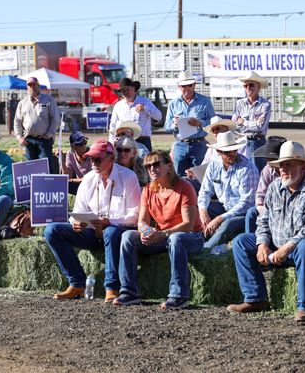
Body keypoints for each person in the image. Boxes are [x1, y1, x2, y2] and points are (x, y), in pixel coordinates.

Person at [227, 141, 305, 324]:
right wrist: (261, 244)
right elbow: (263, 220)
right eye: (281, 165)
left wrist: (286, 247)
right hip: (278, 244)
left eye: (288, 164)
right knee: (241, 242)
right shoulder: (274, 187)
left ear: (302, 166)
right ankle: (255, 299)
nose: (283, 169)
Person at [43, 139, 141, 302]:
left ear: (112, 159)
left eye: (98, 159)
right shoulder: (88, 179)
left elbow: (136, 213)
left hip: (116, 231)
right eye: (91, 159)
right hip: (91, 232)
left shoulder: (128, 177)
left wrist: (111, 222)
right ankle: (77, 283)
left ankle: (112, 287)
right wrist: (76, 223)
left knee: (111, 232)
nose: (93, 162)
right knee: (52, 230)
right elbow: (78, 212)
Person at [114, 151, 204, 309]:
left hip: (191, 237)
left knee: (176, 238)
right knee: (128, 236)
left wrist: (161, 234)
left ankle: (179, 295)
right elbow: (142, 221)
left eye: (156, 164)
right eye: (148, 166)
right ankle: (129, 292)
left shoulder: (185, 187)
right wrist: (146, 232)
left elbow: (188, 224)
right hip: (164, 237)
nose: (151, 169)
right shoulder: (148, 190)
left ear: (169, 165)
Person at [198, 131, 258, 249]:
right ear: (218, 152)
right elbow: (205, 190)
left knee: (227, 224)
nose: (232, 154)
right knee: (197, 211)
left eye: (234, 150)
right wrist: (203, 212)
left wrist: (220, 218)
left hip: (244, 213)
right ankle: (196, 240)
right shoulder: (214, 164)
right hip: (224, 207)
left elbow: (246, 204)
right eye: (227, 152)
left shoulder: (248, 168)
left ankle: (205, 249)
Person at [165, 70, 216, 176]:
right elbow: (166, 126)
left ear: (194, 85)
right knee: (178, 177)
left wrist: (199, 123)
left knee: (200, 176)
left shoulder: (205, 101)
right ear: (179, 87)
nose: (187, 88)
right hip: (180, 144)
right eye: (183, 86)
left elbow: (213, 123)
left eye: (189, 85)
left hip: (199, 144)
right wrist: (174, 125)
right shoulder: (173, 104)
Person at [244, 136, 286, 233]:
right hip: (270, 208)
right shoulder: (267, 170)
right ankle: (252, 239)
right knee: (251, 212)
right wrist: (261, 208)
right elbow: (260, 194)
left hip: (289, 209)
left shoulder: (294, 170)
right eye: (267, 158)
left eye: (271, 158)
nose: (268, 161)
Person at [184, 115, 238, 192]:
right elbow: (202, 169)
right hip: (212, 183)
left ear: (226, 129)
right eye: (213, 130)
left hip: (230, 184)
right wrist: (194, 172)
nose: (215, 132)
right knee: (184, 181)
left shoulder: (237, 147)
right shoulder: (211, 149)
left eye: (217, 128)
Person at [14, 77, 60, 164]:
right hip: (28, 141)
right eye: (29, 85)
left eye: (34, 84)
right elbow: (17, 121)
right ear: (27, 87)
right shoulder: (22, 103)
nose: (32, 86)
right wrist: (19, 138)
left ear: (38, 86)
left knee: (45, 167)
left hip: (44, 139)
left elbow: (56, 119)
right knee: (30, 168)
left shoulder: (48, 100)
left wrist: (49, 134)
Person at [232, 71, 272, 172]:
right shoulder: (239, 103)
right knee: (241, 170)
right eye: (245, 86)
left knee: (257, 171)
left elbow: (260, 127)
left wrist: (244, 122)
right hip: (242, 141)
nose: (248, 88)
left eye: (251, 85)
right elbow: (235, 125)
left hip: (257, 142)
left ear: (258, 87)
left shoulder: (265, 104)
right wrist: (253, 123)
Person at [108, 78, 161, 151]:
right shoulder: (118, 106)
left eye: (128, 89)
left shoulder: (145, 102)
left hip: (143, 140)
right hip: (124, 141)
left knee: (144, 162)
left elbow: (159, 116)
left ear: (133, 88)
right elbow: (113, 125)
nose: (126, 92)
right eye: (123, 91)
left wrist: (145, 109)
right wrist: (111, 143)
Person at [61, 131, 92, 195]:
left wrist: (73, 180)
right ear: (73, 146)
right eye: (80, 144)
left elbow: (92, 178)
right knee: (63, 184)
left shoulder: (92, 153)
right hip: (80, 184)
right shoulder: (70, 154)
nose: (84, 145)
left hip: (91, 184)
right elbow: (67, 176)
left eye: (85, 142)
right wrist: (62, 160)